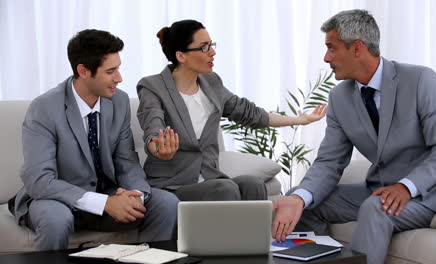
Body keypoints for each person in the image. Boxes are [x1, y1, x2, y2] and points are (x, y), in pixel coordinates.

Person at [271, 9, 436, 264]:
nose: (326, 57)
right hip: (376, 190)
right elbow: (330, 162)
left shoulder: (420, 80)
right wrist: (297, 198)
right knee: (302, 201)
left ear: (357, 49)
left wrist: (407, 186)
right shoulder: (339, 98)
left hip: (429, 194)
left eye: (332, 48)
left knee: (377, 208)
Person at [8, 29, 179, 251]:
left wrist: (136, 195)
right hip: (55, 199)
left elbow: (126, 162)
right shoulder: (44, 108)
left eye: (118, 68)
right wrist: (105, 203)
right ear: (84, 71)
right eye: (111, 71)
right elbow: (39, 180)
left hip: (107, 193)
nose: (119, 78)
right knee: (55, 219)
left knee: (166, 204)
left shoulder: (119, 101)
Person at [136, 19, 327, 201]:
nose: (212, 52)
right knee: (225, 188)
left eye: (212, 45)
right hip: (172, 184)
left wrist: (300, 120)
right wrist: (158, 149)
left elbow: (250, 114)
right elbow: (152, 126)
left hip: (210, 178)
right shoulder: (152, 87)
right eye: (204, 47)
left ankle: (256, 237)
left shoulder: (211, 83)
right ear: (181, 56)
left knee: (253, 184)